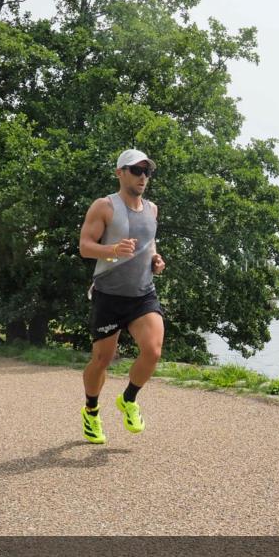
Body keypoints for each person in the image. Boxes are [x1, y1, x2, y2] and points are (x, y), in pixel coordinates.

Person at [77, 149, 167, 444]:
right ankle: (91, 411)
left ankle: (128, 399)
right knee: (102, 359)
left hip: (142, 294)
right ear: (120, 172)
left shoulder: (152, 209)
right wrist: (112, 250)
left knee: (153, 351)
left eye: (147, 171)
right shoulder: (105, 207)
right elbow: (85, 247)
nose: (143, 177)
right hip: (109, 294)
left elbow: (150, 244)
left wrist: (156, 260)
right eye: (137, 170)